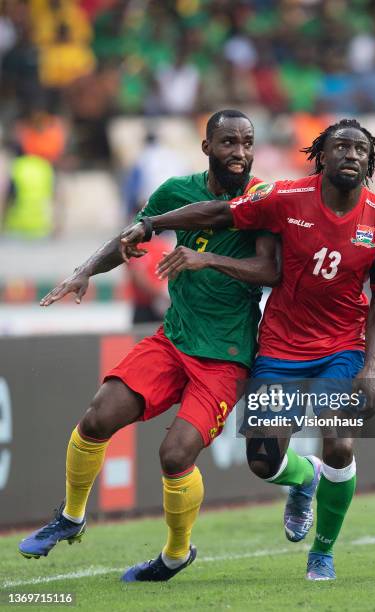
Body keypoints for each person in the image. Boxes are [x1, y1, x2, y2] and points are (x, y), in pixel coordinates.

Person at [120, 118, 375, 582]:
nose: (351, 155)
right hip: (281, 347)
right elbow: (218, 213)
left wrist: (370, 365)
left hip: (343, 348)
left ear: (370, 160)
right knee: (263, 461)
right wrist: (152, 223)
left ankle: (323, 553)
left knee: (339, 444)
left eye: (360, 149)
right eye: (341, 147)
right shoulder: (284, 198)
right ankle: (303, 480)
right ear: (321, 155)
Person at [18, 109, 281, 583]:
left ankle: (176, 554)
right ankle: (72, 517)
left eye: (246, 142)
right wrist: (84, 271)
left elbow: (271, 271)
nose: (239, 152)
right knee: (98, 416)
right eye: (228, 143)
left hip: (225, 356)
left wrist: (206, 260)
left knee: (175, 455)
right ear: (207, 148)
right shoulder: (175, 193)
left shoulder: (262, 198)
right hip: (173, 338)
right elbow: (131, 238)